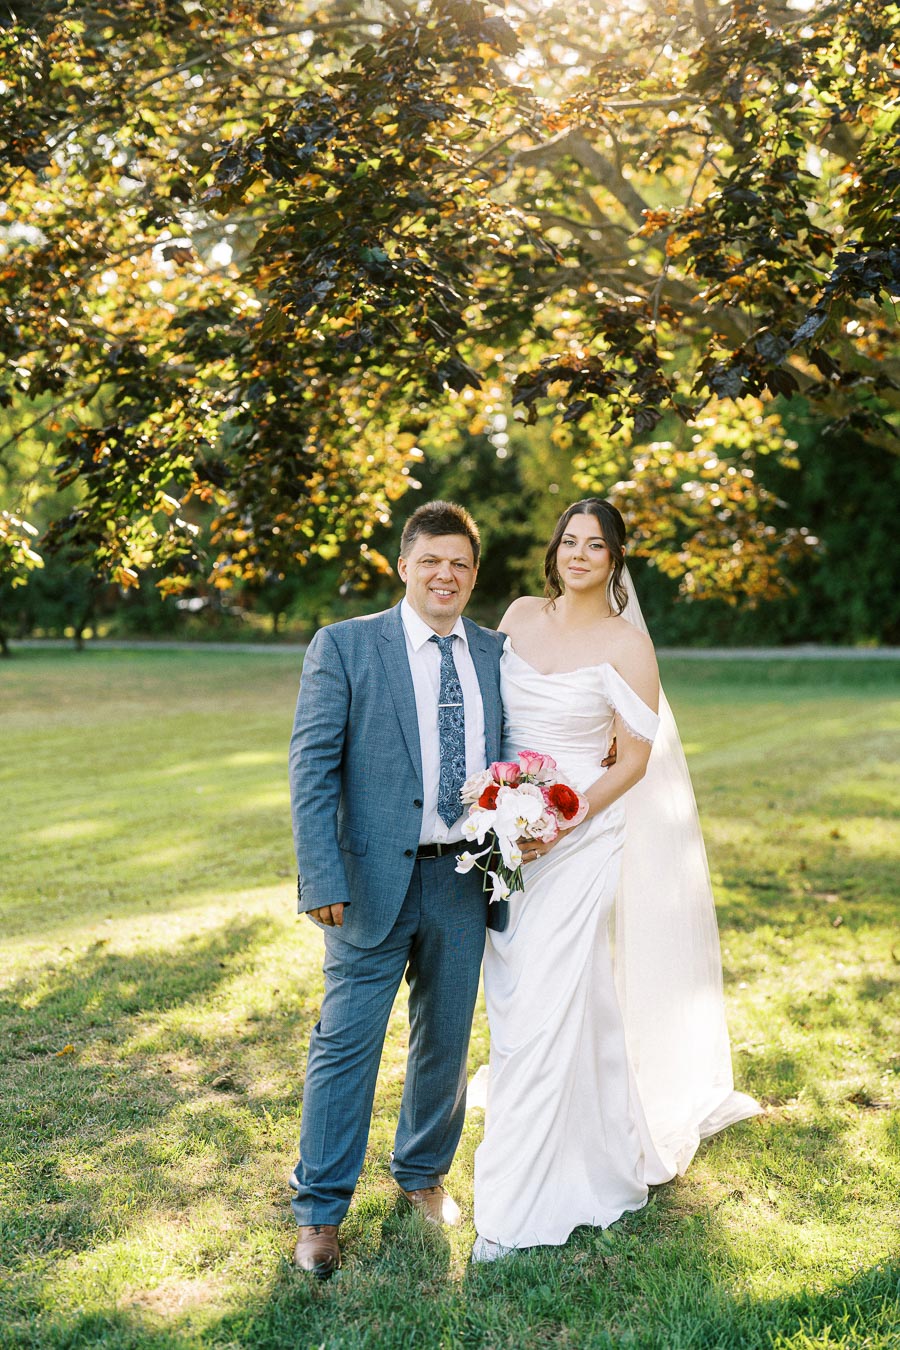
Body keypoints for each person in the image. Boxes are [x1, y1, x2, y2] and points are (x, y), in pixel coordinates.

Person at [470, 498, 760, 1260]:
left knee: (551, 994)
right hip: (508, 828)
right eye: (569, 541)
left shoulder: (627, 646)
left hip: (579, 834)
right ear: (553, 551)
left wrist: (561, 819)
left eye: (594, 545)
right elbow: (488, 715)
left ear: (615, 557)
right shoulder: (520, 615)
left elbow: (633, 759)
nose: (578, 555)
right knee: (521, 995)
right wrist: (504, 810)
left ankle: (517, 1199)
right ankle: (585, 1123)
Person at [288, 500, 504, 1278]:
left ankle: (421, 1174)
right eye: (431, 561)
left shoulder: (494, 653)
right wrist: (321, 874)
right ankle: (319, 1210)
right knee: (346, 1045)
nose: (445, 574)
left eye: (460, 564)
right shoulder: (345, 646)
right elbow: (311, 767)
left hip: (463, 877)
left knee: (445, 1041)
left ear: (474, 576)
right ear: (403, 565)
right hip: (368, 881)